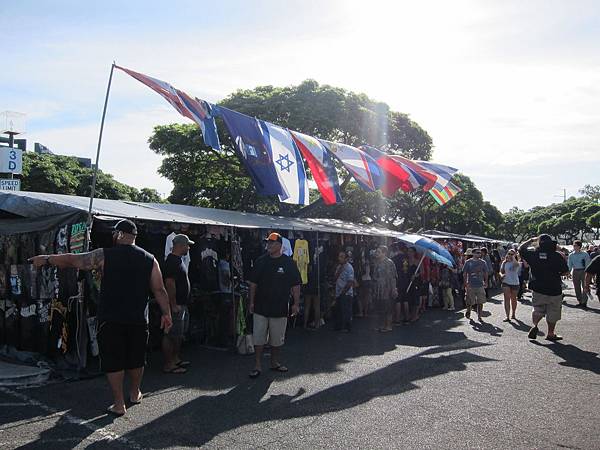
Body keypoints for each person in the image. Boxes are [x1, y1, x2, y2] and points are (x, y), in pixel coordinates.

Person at [29, 219, 172, 416]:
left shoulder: (104, 255)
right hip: (138, 318)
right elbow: (159, 289)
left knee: (114, 360)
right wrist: (167, 314)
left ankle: (119, 403)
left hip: (111, 318)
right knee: (136, 358)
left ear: (118, 235)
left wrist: (46, 259)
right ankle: (135, 392)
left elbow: (74, 260)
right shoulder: (150, 259)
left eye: (115, 233)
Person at [248, 232, 301, 378]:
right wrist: (251, 302)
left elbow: (296, 285)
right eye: (268, 243)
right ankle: (257, 365)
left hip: (280, 307)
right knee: (258, 338)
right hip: (261, 307)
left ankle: (274, 362)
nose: (269, 245)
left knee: (277, 339)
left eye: (272, 243)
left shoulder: (288, 263)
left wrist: (296, 304)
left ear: (279, 245)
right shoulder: (260, 261)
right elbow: (253, 283)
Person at [519, 235, 569, 341]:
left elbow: (521, 248)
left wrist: (531, 240)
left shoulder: (533, 254)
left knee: (537, 308)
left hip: (538, 287)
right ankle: (550, 333)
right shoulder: (557, 256)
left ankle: (535, 326)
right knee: (553, 312)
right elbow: (565, 271)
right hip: (554, 288)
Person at [162, 234, 194, 374]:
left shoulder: (178, 260)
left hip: (182, 304)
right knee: (170, 334)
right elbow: (169, 283)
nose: (188, 248)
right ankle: (169, 364)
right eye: (187, 245)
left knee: (179, 334)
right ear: (180, 245)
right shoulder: (172, 261)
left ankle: (175, 359)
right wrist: (173, 304)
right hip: (175, 305)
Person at [372, 245, 398, 332]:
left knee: (388, 308)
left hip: (387, 287)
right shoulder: (376, 262)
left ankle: (388, 326)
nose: (376, 253)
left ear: (384, 253)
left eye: (379, 252)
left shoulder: (389, 262)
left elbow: (393, 277)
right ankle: (381, 325)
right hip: (378, 288)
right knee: (380, 307)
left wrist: (393, 289)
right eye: (376, 252)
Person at [462, 248, 488, 321]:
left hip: (480, 284)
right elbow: (464, 273)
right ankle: (468, 310)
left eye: (480, 253)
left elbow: (486, 272)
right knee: (469, 301)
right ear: (473, 253)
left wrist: (486, 282)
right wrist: (465, 283)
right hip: (470, 284)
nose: (479, 254)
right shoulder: (468, 262)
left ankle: (479, 316)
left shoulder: (483, 262)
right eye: (477, 253)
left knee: (480, 301)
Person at [334, 251, 355, 332]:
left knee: (346, 310)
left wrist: (343, 292)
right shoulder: (339, 266)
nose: (339, 258)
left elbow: (350, 282)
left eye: (342, 257)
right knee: (339, 310)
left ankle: (347, 327)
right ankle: (339, 326)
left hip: (346, 293)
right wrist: (339, 270)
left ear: (346, 258)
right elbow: (335, 278)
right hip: (338, 292)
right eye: (339, 256)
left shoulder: (349, 268)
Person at [567, 240, 592, 307]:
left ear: (579, 246)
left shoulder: (585, 254)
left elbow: (588, 263)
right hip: (575, 271)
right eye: (573, 245)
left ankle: (584, 302)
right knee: (576, 287)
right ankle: (580, 300)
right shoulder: (571, 255)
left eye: (575, 245)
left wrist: (588, 272)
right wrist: (568, 272)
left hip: (584, 271)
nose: (574, 247)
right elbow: (569, 265)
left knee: (585, 286)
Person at [500, 249, 520, 321]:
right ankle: (507, 316)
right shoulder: (504, 263)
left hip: (515, 283)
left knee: (513, 299)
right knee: (506, 299)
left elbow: (517, 265)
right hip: (506, 282)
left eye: (512, 254)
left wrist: (514, 257)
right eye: (509, 253)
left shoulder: (516, 263)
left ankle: (513, 313)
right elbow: (501, 271)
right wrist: (501, 275)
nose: (510, 255)